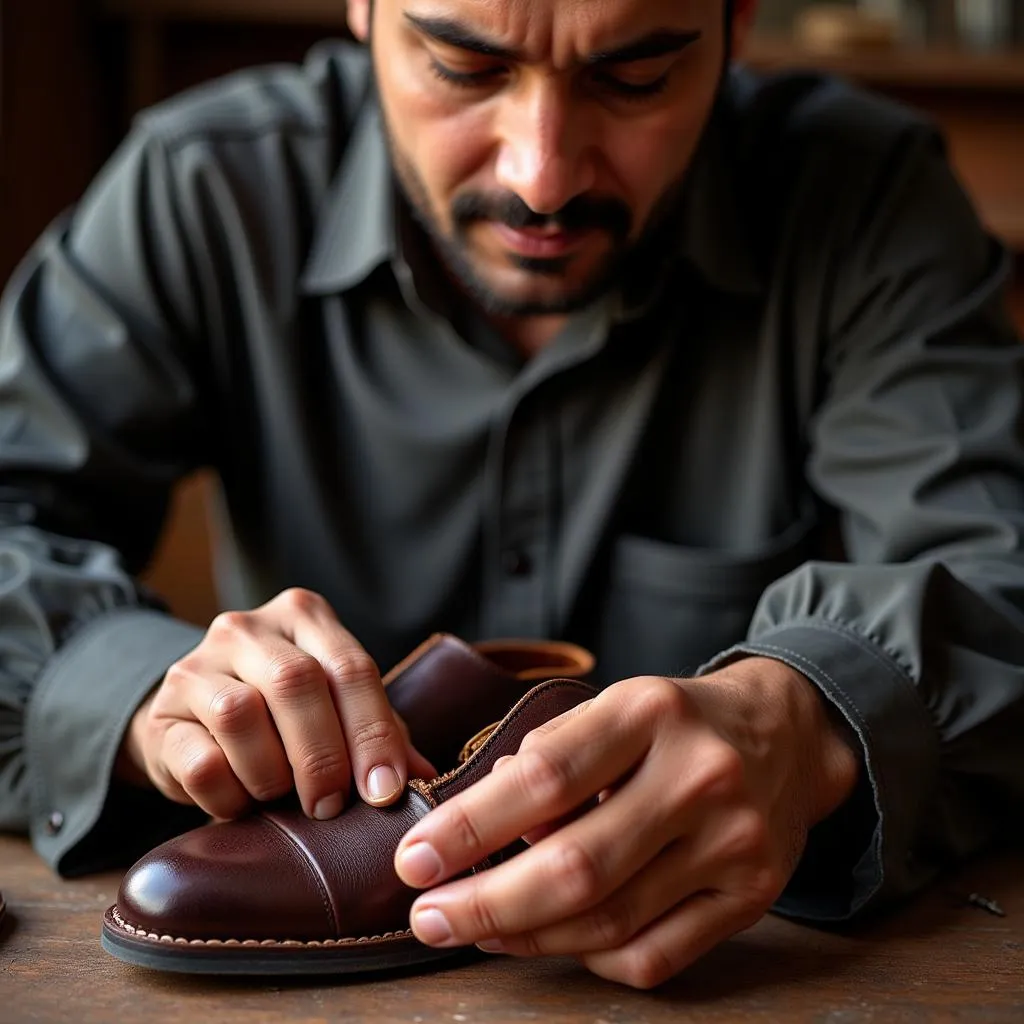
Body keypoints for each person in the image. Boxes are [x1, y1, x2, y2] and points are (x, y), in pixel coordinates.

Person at [1, 0, 1022, 990]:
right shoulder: (205, 187)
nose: (542, 177)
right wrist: (141, 698)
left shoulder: (866, 198)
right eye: (463, 67)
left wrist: (811, 726)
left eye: (635, 77)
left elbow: (995, 560)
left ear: (737, 20)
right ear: (360, 7)